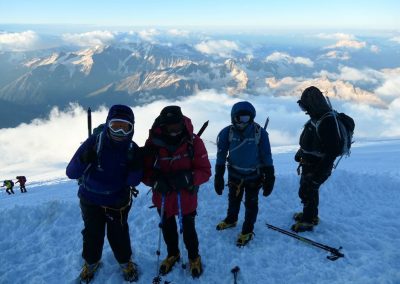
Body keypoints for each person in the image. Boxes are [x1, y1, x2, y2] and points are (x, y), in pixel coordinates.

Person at [66, 105, 143, 282]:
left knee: (119, 234)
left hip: (117, 201)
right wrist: (84, 158)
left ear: (132, 128)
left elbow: (133, 181)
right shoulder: (94, 142)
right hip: (91, 199)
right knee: (93, 233)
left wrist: (135, 167)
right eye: (115, 126)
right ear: (107, 124)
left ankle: (125, 262)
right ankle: (91, 263)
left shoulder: (132, 149)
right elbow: (71, 173)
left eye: (125, 127)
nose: (119, 132)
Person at [142, 105, 211, 278]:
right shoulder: (153, 144)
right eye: (170, 127)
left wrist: (188, 178)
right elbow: (144, 171)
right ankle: (173, 254)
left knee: (188, 229)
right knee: (167, 229)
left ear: (182, 123)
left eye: (177, 126)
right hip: (163, 197)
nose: (174, 130)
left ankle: (194, 257)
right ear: (163, 126)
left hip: (185, 197)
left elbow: (205, 171)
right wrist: (155, 181)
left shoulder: (193, 142)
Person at [214, 101, 275, 246]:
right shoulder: (226, 133)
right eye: (240, 118)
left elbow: (266, 155)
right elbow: (221, 156)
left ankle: (247, 230)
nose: (243, 122)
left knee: (251, 203)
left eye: (247, 118)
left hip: (255, 176)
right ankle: (231, 219)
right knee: (233, 199)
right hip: (235, 175)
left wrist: (270, 176)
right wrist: (218, 176)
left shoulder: (260, 133)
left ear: (252, 117)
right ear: (233, 117)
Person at [292, 86, 342, 232]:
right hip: (309, 163)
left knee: (308, 190)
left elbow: (331, 152)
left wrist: (318, 174)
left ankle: (307, 222)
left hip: (318, 166)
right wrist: (301, 151)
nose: (305, 110)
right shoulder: (317, 118)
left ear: (313, 104)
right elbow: (313, 140)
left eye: (305, 106)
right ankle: (311, 215)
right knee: (309, 191)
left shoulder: (327, 122)